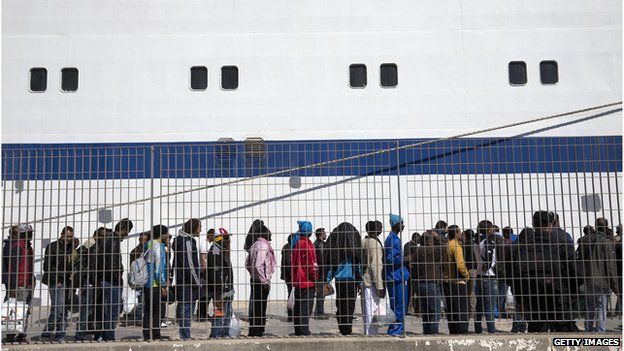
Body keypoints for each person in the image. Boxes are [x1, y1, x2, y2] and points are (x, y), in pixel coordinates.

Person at [515, 211, 574, 332]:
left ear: (533, 224)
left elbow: (515, 274)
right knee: (562, 333)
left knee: (536, 332)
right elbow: (574, 270)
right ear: (551, 224)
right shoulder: (561, 242)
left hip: (532, 296)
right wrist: (571, 293)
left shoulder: (523, 244)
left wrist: (520, 299)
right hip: (557, 296)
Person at [91, 218, 133, 341]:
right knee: (112, 312)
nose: (127, 235)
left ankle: (101, 336)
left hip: (104, 279)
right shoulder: (113, 241)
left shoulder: (107, 239)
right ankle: (109, 337)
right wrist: (118, 280)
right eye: (128, 231)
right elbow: (113, 265)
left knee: (105, 310)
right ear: (124, 229)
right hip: (111, 281)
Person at [577, 218, 619, 332]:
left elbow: (580, 260)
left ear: (595, 226)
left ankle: (588, 329)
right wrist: (615, 285)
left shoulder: (587, 241)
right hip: (603, 280)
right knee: (602, 306)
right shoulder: (607, 242)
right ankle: (601, 331)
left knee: (590, 306)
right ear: (606, 227)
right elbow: (610, 266)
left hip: (588, 278)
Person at [325, 222, 362, 335]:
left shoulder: (336, 251)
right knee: (349, 305)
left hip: (340, 281)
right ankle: (347, 329)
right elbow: (357, 268)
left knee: (340, 304)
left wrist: (327, 280)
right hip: (351, 281)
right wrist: (360, 282)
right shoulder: (354, 251)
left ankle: (342, 328)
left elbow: (331, 266)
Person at [41, 226, 76, 342]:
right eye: (67, 236)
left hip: (66, 281)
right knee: (58, 309)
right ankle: (46, 333)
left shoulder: (71, 247)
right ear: (62, 235)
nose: (69, 239)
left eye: (71, 237)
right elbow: (47, 266)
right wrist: (57, 280)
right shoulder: (52, 247)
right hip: (56, 281)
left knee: (63, 309)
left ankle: (60, 335)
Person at [74, 227, 110, 341]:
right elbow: (93, 269)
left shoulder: (98, 248)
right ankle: (80, 334)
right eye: (105, 237)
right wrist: (96, 283)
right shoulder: (92, 247)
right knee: (87, 310)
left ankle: (94, 333)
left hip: (94, 283)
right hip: (91, 284)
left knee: (95, 310)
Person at [2, 225, 35, 343]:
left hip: (28, 283)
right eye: (28, 233)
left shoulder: (27, 247)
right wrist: (12, 286)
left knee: (25, 311)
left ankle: (21, 335)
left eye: (31, 232)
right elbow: (12, 268)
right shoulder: (17, 247)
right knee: (14, 310)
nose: (31, 235)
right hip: (18, 284)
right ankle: (10, 336)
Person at [173, 218, 202, 340]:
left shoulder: (181, 241)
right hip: (188, 282)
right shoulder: (188, 242)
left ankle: (184, 334)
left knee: (184, 307)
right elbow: (190, 264)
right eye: (199, 227)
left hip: (182, 280)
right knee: (187, 309)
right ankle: (185, 336)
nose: (200, 230)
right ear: (194, 228)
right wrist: (197, 282)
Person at [246, 223, 276, 336]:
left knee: (255, 306)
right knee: (261, 307)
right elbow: (259, 264)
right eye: (269, 232)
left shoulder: (254, 244)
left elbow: (247, 264)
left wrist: (253, 274)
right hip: (261, 282)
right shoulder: (264, 246)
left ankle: (253, 330)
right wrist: (264, 280)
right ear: (265, 234)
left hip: (254, 279)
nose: (271, 234)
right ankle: (258, 330)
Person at [412, 230, 443, 334]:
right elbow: (445, 247)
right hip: (431, 283)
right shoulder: (433, 250)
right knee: (435, 310)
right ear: (430, 241)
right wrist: (437, 237)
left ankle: (426, 331)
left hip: (420, 283)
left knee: (426, 311)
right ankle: (433, 332)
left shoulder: (418, 250)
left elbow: (414, 267)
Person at [290, 220, 318, 336]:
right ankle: (304, 330)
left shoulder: (297, 243)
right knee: (306, 307)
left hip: (298, 280)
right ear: (309, 232)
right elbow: (311, 265)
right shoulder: (307, 244)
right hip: (307, 281)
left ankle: (298, 329)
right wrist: (315, 277)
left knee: (299, 306)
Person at [142, 225, 169, 341]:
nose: (167, 236)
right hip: (155, 284)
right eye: (166, 234)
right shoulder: (158, 246)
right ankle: (156, 334)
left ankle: (147, 334)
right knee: (157, 311)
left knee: (148, 310)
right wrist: (162, 284)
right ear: (161, 234)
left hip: (147, 283)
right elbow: (158, 267)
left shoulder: (148, 244)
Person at [384, 214, 410, 336]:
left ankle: (399, 329)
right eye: (402, 223)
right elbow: (390, 260)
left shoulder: (394, 239)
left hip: (399, 276)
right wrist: (405, 259)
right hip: (395, 277)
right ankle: (395, 330)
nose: (403, 226)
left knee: (401, 305)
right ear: (396, 225)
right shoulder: (392, 240)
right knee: (398, 306)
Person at [443, 225, 471, 334]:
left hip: (447, 280)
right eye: (459, 232)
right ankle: (462, 331)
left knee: (451, 309)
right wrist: (466, 275)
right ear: (455, 234)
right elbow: (460, 264)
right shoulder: (456, 246)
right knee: (462, 310)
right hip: (457, 282)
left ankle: (453, 331)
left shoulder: (447, 245)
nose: (461, 234)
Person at [207, 228, 234, 338]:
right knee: (220, 312)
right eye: (227, 238)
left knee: (227, 313)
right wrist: (221, 289)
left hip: (227, 288)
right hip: (221, 289)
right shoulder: (216, 250)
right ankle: (216, 335)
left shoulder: (222, 249)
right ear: (220, 238)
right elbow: (215, 273)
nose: (229, 241)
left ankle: (224, 333)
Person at [474, 220, 500, 334]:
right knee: (490, 305)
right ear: (489, 229)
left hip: (479, 275)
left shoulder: (476, 241)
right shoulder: (487, 241)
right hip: (489, 276)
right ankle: (491, 330)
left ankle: (478, 328)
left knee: (479, 304)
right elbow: (489, 256)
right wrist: (488, 265)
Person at [361, 220, 385, 335]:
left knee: (367, 312)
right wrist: (379, 286)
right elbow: (375, 267)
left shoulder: (363, 241)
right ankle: (371, 336)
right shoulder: (375, 244)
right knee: (373, 312)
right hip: (372, 283)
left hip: (365, 281)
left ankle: (369, 333)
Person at [197, 228, 215, 322]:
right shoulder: (204, 244)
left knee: (208, 294)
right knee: (204, 294)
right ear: (210, 235)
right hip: (205, 272)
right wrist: (205, 272)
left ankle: (204, 313)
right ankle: (201, 314)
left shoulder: (210, 244)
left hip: (209, 271)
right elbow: (203, 259)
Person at [403, 232, 420, 315]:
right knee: (410, 291)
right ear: (414, 238)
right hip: (410, 272)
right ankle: (409, 308)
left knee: (414, 291)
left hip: (415, 272)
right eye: (418, 239)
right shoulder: (408, 245)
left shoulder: (416, 246)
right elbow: (407, 257)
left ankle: (413, 307)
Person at [313, 228, 328, 318]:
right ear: (320, 235)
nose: (326, 234)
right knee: (321, 293)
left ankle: (319, 310)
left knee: (321, 292)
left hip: (319, 272)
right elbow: (322, 260)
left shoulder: (317, 244)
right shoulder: (320, 245)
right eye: (324, 233)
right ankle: (319, 312)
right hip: (321, 272)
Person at [280, 234, 294, 322]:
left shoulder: (287, 248)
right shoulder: (289, 249)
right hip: (290, 276)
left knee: (291, 294)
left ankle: (291, 315)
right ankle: (291, 315)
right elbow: (289, 264)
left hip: (288, 275)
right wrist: (292, 275)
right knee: (291, 295)